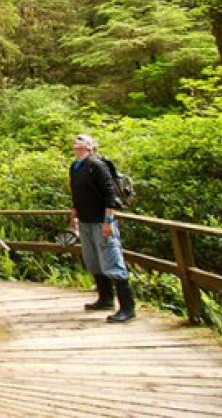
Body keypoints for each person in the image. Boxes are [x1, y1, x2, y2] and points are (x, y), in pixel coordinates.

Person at [68, 134, 136, 323]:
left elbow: (110, 194)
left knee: (111, 259)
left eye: (81, 143)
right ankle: (105, 298)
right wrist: (74, 215)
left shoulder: (97, 166)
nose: (77, 145)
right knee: (93, 260)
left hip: (101, 221)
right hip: (86, 221)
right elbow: (76, 193)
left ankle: (127, 307)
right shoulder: (75, 167)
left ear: (90, 147)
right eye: (75, 143)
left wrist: (108, 221)